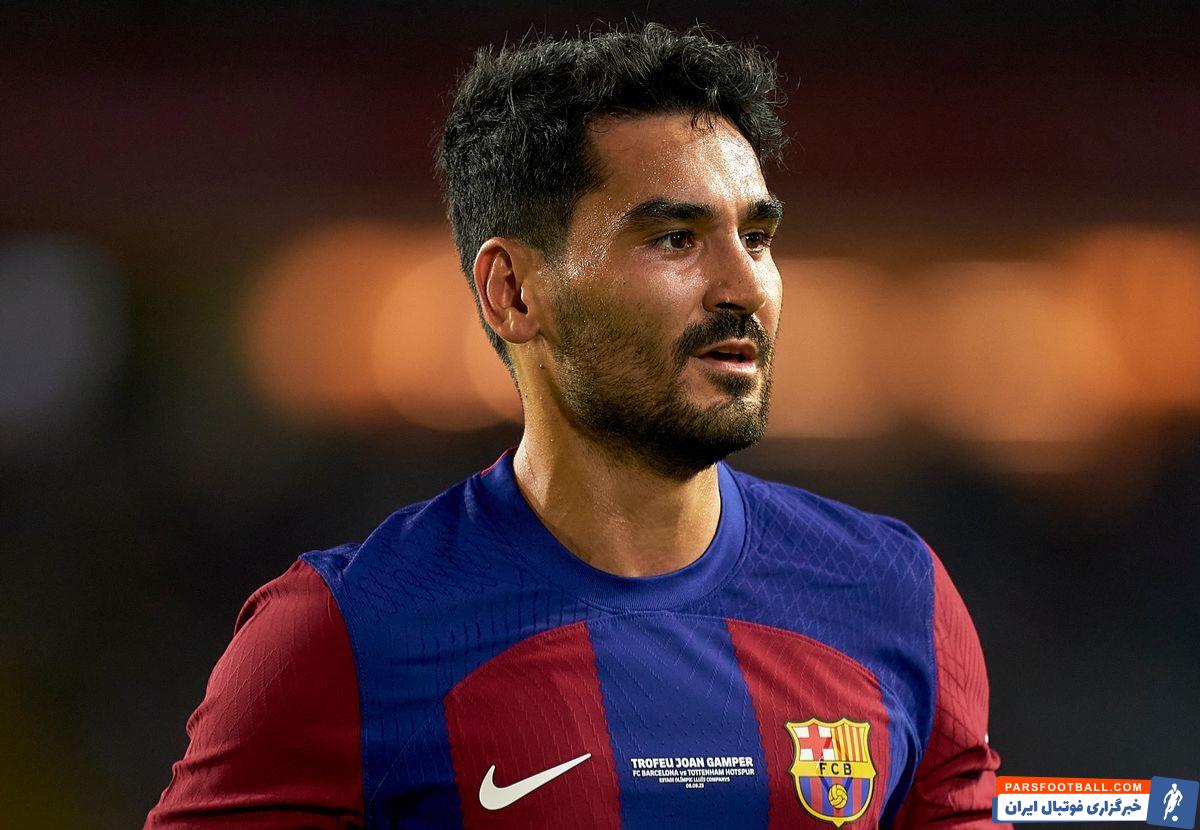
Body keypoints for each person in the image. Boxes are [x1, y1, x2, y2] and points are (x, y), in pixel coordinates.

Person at [146, 23, 1006, 829]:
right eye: (675, 238)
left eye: (756, 236)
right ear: (514, 293)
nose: (744, 285)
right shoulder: (341, 635)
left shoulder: (896, 595)